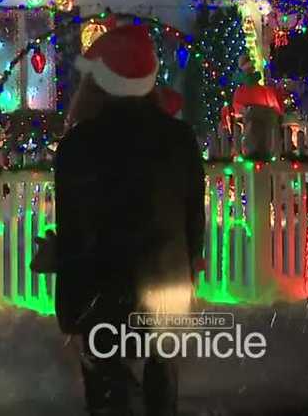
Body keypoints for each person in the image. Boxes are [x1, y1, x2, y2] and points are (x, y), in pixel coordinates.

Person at [54, 25, 205, 416]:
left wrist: (72, 311)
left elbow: (76, 233)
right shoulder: (179, 138)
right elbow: (193, 219)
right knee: (160, 390)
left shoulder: (79, 146)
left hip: (105, 289)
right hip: (166, 287)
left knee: (111, 394)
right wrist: (188, 266)